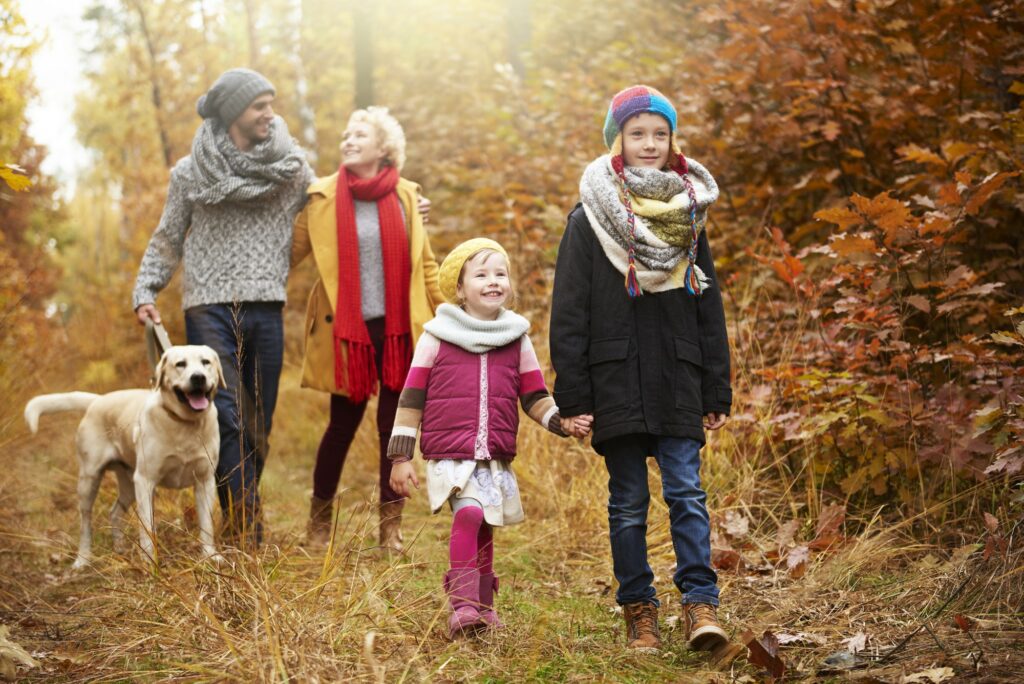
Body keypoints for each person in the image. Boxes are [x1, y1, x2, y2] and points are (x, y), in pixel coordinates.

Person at [549, 85, 732, 653]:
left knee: (686, 492)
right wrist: (574, 396)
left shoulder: (688, 215)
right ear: (618, 140)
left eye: (660, 133)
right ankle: (639, 612)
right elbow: (569, 310)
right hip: (615, 380)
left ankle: (700, 604)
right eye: (637, 134)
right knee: (628, 503)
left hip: (678, 374)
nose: (649, 144)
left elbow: (709, 305)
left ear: (671, 140)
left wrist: (716, 386)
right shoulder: (589, 218)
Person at [133, 68, 314, 547]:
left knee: (259, 423)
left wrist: (405, 202)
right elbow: (168, 237)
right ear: (235, 112)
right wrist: (146, 290)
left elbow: (330, 204)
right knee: (227, 415)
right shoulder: (192, 173)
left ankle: (233, 513)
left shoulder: (293, 169)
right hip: (208, 305)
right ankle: (248, 533)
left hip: (267, 306)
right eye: (260, 106)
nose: (269, 114)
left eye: (271, 103)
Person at [388, 238, 591, 638]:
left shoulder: (516, 338)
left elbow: (533, 395)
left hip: (493, 454)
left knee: (485, 525)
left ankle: (483, 607)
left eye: (500, 273)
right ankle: (462, 604)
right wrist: (401, 456)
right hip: (450, 452)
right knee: (469, 514)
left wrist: (560, 422)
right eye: (481, 274)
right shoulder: (437, 336)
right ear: (461, 289)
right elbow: (411, 398)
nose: (493, 281)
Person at [291, 107, 442, 552]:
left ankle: (389, 529)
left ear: (383, 148)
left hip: (398, 332)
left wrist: (452, 315)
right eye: (346, 134)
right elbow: (287, 253)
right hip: (348, 334)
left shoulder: (408, 198)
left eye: (360, 134)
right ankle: (318, 526)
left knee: (393, 432)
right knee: (340, 427)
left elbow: (427, 267)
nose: (348, 139)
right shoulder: (320, 198)